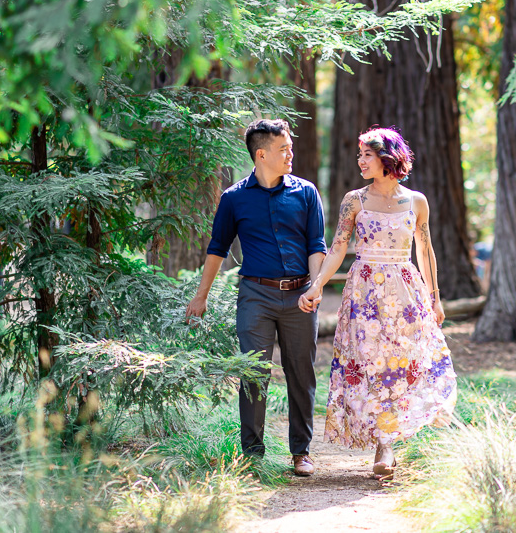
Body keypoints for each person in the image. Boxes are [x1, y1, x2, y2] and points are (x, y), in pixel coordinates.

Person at [299, 126, 456, 480]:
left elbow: (424, 249)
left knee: (398, 364)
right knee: (369, 363)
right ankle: (380, 440)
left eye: (366, 155)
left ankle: (387, 444)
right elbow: (337, 246)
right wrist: (316, 286)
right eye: (359, 155)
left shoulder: (416, 201)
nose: (360, 161)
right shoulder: (354, 200)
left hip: (404, 292)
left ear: (387, 157)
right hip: (364, 294)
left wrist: (435, 298)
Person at [186, 118, 326, 477]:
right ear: (261, 154)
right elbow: (217, 248)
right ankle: (252, 454)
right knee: (253, 374)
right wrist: (201, 297)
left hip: (299, 297)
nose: (291, 153)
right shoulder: (234, 198)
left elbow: (316, 245)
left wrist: (315, 286)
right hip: (256, 297)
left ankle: (301, 452)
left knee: (301, 373)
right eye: (284, 149)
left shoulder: (307, 193)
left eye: (290, 147)